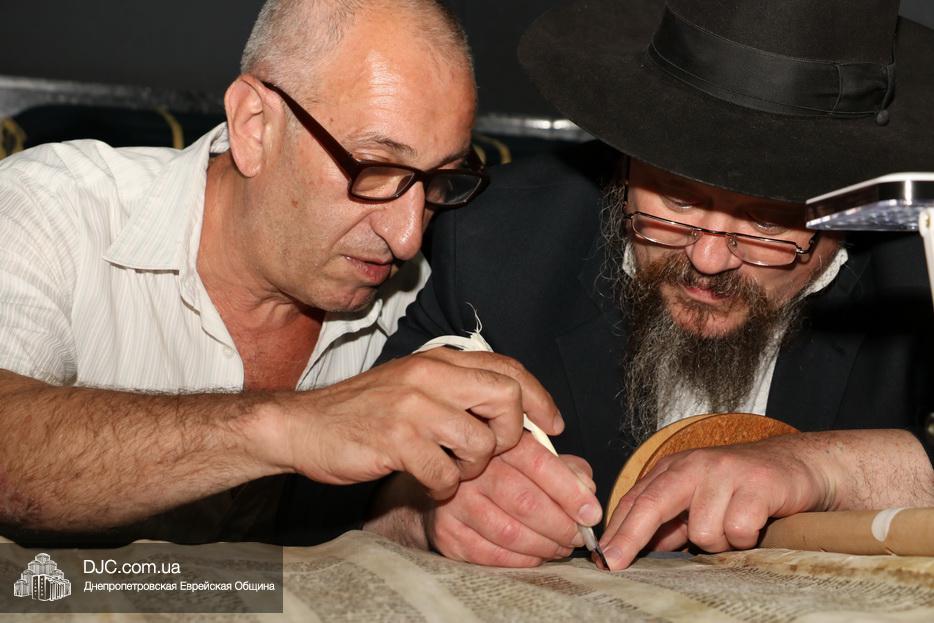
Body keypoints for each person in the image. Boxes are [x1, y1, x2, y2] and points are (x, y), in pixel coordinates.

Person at [372, 0, 934, 570]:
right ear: (626, 162)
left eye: (768, 221)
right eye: (678, 199)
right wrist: (422, 508)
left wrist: (830, 469)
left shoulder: (922, 267)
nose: (708, 259)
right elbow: (358, 478)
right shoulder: (499, 240)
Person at [0, 0, 563, 545]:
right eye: (374, 168)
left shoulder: (426, 297)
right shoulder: (50, 209)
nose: (407, 237)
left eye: (440, 180)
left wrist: (416, 516)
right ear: (254, 126)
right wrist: (293, 425)